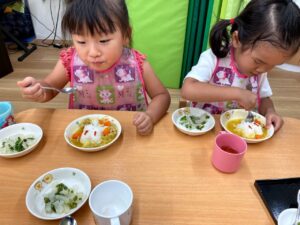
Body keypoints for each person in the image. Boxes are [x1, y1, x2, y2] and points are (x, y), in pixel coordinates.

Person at [17, 0, 170, 135]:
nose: (93, 53)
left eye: (103, 41)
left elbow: (162, 96)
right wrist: (39, 90)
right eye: (81, 42)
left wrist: (150, 116)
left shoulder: (137, 63)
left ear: (125, 35)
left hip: (130, 134)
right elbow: (50, 87)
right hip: (86, 135)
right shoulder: (70, 60)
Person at [181, 0, 300, 132]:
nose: (263, 70)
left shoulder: (261, 70)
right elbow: (188, 90)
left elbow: (264, 98)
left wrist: (270, 111)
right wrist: (237, 94)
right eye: (258, 61)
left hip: (240, 132)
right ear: (237, 39)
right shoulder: (214, 58)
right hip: (204, 128)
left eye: (273, 66)